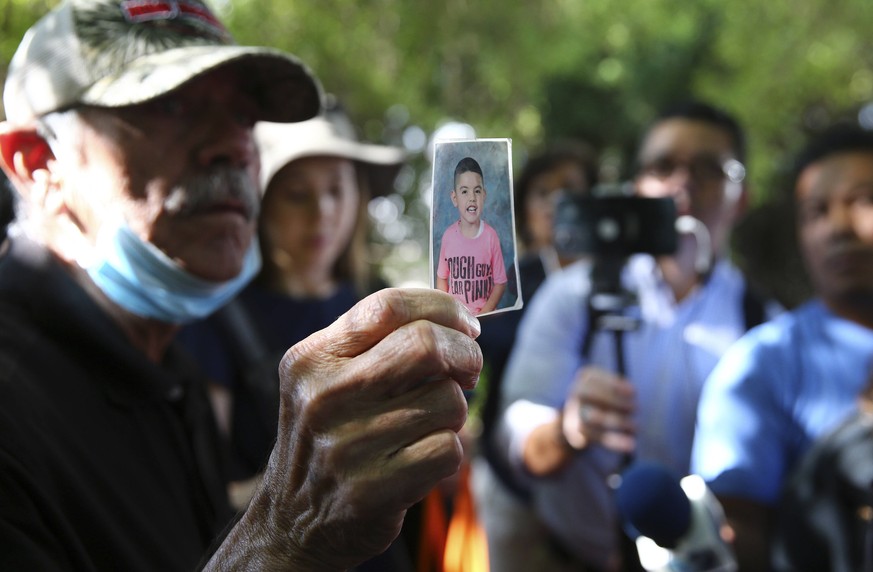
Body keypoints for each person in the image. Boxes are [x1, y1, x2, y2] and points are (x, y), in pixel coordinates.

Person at [0, 1, 482, 571]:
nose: (233, 145)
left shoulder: (168, 370)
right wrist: (285, 535)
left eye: (246, 116)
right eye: (169, 105)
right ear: (38, 163)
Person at [488, 101, 779, 571]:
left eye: (708, 168)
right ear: (636, 186)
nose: (683, 181)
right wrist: (567, 431)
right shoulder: (572, 296)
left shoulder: (765, 327)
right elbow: (517, 436)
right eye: (664, 165)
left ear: (740, 197)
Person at [690, 123, 873, 570]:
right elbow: (732, 538)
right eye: (816, 212)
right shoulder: (760, 365)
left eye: (863, 200)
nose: (837, 229)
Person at [436, 156, 508, 316]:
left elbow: (500, 282)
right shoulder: (448, 236)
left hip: (486, 321)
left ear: (484, 195)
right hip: (457, 320)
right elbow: (441, 278)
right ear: (454, 198)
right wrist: (449, 312)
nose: (471, 198)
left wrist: (484, 314)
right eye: (464, 191)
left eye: (477, 191)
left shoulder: (491, 236)